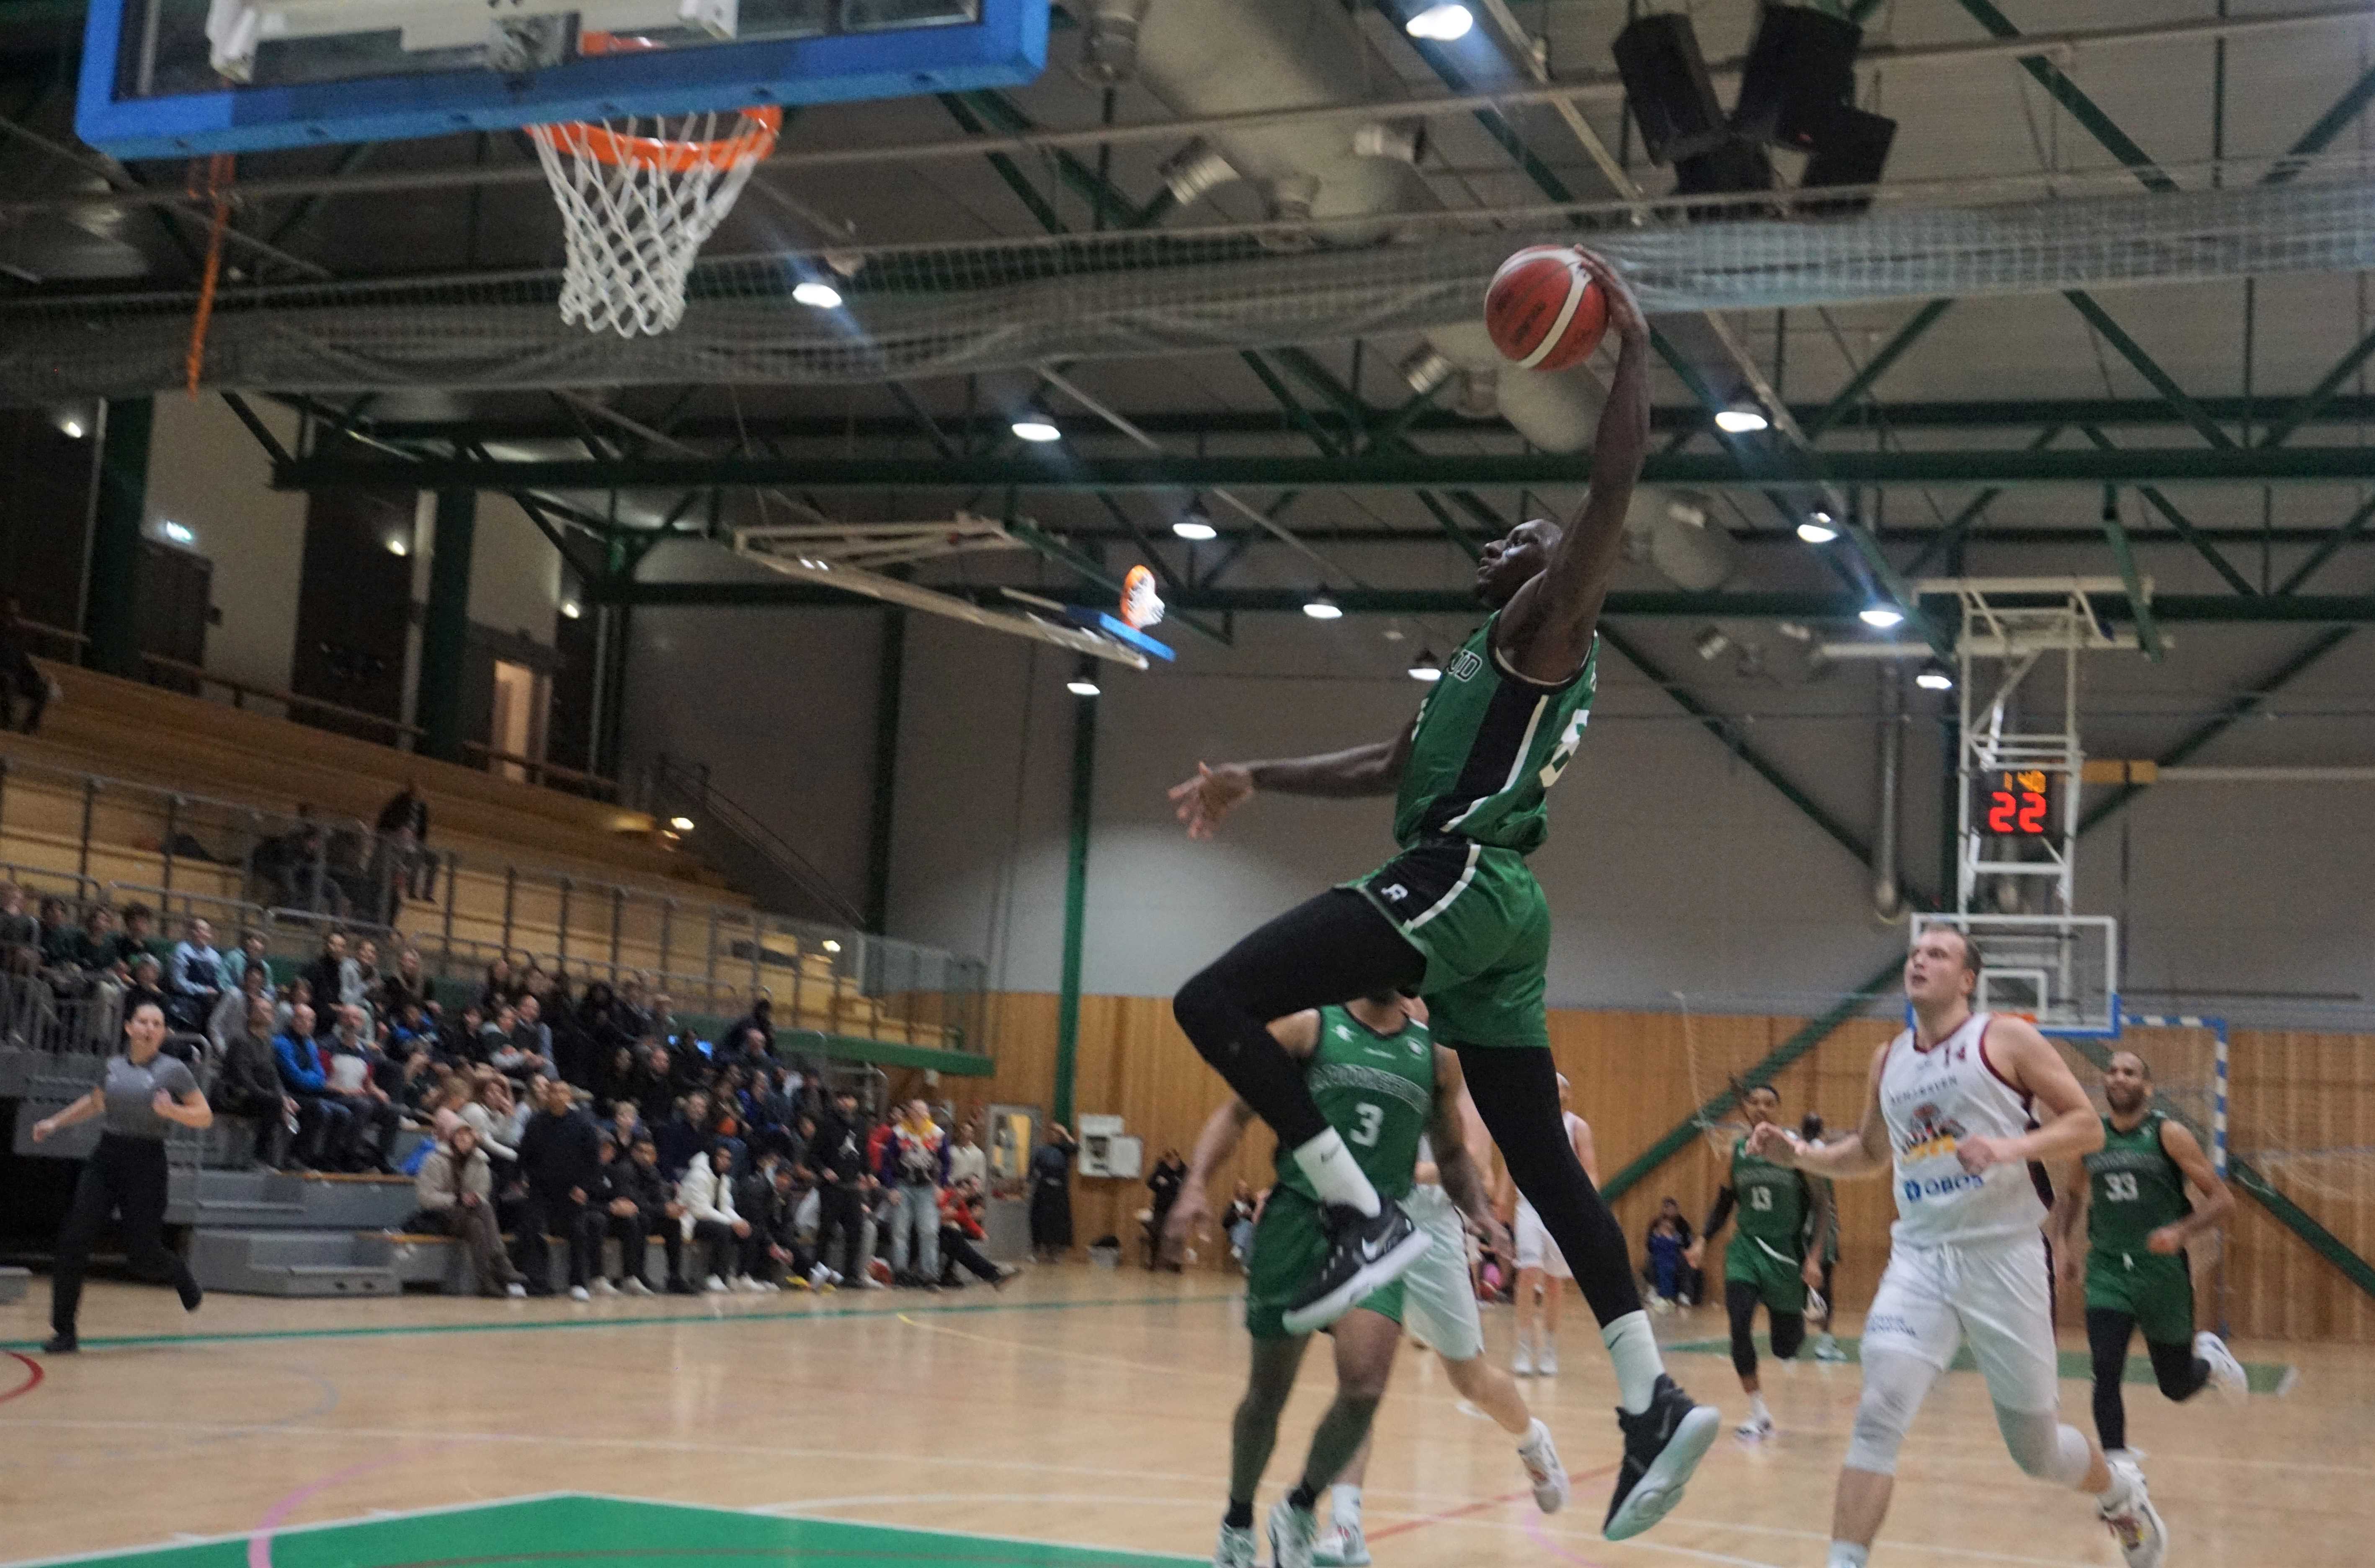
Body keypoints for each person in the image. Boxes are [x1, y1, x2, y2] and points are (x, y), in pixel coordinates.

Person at [1163, 253, 1708, 1539]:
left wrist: (1630, 345)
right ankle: (1648, 1399)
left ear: (1556, 562)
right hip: (1495, 911)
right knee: (1533, 1157)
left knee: (1211, 999)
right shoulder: (1482, 657)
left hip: (1463, 877)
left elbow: (1612, 484)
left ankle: (1358, 1218)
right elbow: (1384, 763)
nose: (1500, 541)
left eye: (1523, 533)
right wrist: (1251, 774)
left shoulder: (1552, 625)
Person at [1747, 927, 2166, 1568]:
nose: (1918, 959)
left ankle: (2119, 1494)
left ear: (1966, 978)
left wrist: (2008, 1148)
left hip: (2004, 1256)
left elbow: (2083, 1124)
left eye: (1937, 953)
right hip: (1919, 1258)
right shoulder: (1887, 1061)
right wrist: (1798, 1154)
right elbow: (1865, 1153)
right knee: (1877, 1413)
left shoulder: (2003, 1039)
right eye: (1915, 952)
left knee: (2035, 1452)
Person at [1171, 992, 1569, 1568]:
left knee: (1445, 1379)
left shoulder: (1441, 1060)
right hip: (1321, 1221)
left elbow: (1465, 1159)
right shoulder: (1309, 1030)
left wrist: (1481, 1214)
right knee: (1290, 1391)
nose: (1420, 998)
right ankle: (1311, 1522)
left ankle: (1530, 1441)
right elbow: (1239, 1110)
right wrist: (1196, 1184)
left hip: (1412, 1230)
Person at [2051, 1051, 2249, 1460]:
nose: (2118, 1077)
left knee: (2175, 1386)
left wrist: (2182, 1229)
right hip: (2107, 1270)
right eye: (2112, 1071)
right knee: (2104, 1371)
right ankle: (2119, 1467)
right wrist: (2060, 1243)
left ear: (2148, 1088)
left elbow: (2222, 1201)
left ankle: (2209, 1363)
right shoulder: (2090, 1136)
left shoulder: (2169, 1134)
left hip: (2161, 1275)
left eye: (2130, 1072)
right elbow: (2072, 1194)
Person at [30, 999, 209, 1353]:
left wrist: (172, 1110)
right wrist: (54, 1122)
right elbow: (96, 1103)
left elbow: (204, 1115)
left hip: (147, 1161)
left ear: (163, 1033)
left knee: (143, 1255)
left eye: (157, 1024)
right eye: (143, 1021)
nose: (149, 1028)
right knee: (73, 1240)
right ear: (129, 1027)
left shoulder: (174, 1070)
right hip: (107, 1157)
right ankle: (64, 1332)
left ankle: (177, 1273)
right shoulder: (112, 1066)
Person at [1683, 1083, 1830, 1440]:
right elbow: (1724, 1202)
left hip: (1785, 1258)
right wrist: (1702, 1239)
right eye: (1755, 1103)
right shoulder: (1736, 1152)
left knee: (1785, 1346)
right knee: (1739, 1326)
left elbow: (1823, 1208)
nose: (1761, 1108)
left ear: (1778, 1110)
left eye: (1769, 1103)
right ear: (1746, 1109)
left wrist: (1814, 1258)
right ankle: (1758, 1413)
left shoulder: (1796, 1152)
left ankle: (1799, 1318)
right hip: (1745, 1250)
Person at [1504, 1074, 1594, 1376]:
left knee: (1555, 1283)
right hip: (1529, 1205)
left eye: (1560, 1088)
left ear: (1568, 1094)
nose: (1554, 1093)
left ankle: (1550, 1348)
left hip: (1563, 1208)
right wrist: (1501, 1201)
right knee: (1528, 1272)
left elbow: (1590, 1172)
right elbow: (1511, 1162)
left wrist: (1587, 1208)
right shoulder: (1524, 1123)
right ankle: (1523, 1344)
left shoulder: (1577, 1127)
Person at [415, 1121, 529, 1298]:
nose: (462, 1139)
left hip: (469, 1216)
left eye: (466, 1136)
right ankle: (502, 1263)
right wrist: (458, 1199)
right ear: (452, 1139)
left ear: (473, 1140)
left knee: (476, 1224)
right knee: (482, 1210)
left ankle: (485, 1282)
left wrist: (472, 1200)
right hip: (441, 1216)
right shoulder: (435, 1160)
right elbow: (426, 1198)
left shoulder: (481, 1164)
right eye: (458, 1136)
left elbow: (481, 1196)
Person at [516, 1075, 605, 1299]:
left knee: (579, 1229)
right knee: (529, 1226)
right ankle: (531, 1282)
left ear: (569, 1097)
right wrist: (520, 1179)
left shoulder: (583, 1126)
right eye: (553, 1092)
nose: (557, 1096)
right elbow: (523, 1156)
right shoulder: (535, 1123)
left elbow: (594, 1164)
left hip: (571, 1192)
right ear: (546, 1096)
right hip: (540, 1189)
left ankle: (578, 1283)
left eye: (562, 1092)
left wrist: (584, 1188)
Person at [214, 996, 299, 1169]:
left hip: (257, 1095)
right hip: (234, 1095)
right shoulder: (240, 1041)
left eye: (267, 1010)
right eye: (258, 1009)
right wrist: (277, 1099)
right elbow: (244, 1081)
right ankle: (259, 1158)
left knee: (292, 1104)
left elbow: (273, 1075)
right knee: (274, 1104)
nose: (262, 1013)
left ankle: (286, 1159)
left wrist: (285, 1097)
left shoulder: (268, 1042)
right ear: (250, 1014)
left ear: (273, 1016)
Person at [274, 1002, 356, 1171]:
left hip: (310, 1094)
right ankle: (296, 1157)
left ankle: (326, 1159)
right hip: (289, 1094)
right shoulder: (281, 1043)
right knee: (321, 1109)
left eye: (311, 1020)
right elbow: (295, 1077)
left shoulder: (310, 1044)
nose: (306, 1024)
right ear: (293, 1020)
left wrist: (312, 1080)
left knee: (344, 1113)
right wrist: (313, 1080)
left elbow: (321, 1076)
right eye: (301, 1019)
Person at [881, 1098, 948, 1288]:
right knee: (900, 1232)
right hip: (903, 1186)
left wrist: (941, 1185)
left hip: (927, 1187)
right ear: (909, 1112)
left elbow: (946, 1163)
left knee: (929, 1231)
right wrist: (891, 1187)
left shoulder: (937, 1134)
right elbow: (886, 1164)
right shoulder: (899, 1133)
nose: (919, 1114)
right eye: (915, 1110)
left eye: (923, 1110)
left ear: (928, 1114)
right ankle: (900, 1273)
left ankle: (930, 1275)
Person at [613, 1132, 690, 1294]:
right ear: (633, 1152)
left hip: (646, 1215)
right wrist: (663, 1209)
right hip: (620, 1219)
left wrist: (671, 1208)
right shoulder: (624, 1170)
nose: (646, 1157)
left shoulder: (653, 1172)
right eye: (642, 1152)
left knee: (673, 1223)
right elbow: (633, 1203)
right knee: (639, 1220)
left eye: (650, 1153)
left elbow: (659, 1198)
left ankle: (674, 1277)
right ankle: (635, 1275)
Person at [1800, 1111, 1847, 1360]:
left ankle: (1794, 1337)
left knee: (1798, 1282)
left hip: (1798, 1224)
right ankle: (1826, 1343)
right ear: (1821, 1130)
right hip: (1820, 1225)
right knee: (1824, 1283)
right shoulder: (1822, 1152)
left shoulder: (1799, 1150)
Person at [676, 1138, 752, 1292]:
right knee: (723, 1230)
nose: (725, 1162)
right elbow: (700, 1210)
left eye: (728, 1159)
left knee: (746, 1230)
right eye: (721, 1157)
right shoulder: (698, 1175)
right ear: (713, 1157)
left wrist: (739, 1221)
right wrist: (732, 1224)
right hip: (691, 1220)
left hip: (710, 1220)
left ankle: (737, 1275)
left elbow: (726, 1207)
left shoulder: (723, 1179)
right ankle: (714, 1276)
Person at [812, 1089, 871, 1283]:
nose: (845, 1102)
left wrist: (868, 1173)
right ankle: (818, 1271)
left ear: (855, 1102)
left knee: (856, 1230)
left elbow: (863, 1153)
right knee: (826, 1231)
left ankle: (851, 1275)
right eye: (842, 1098)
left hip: (852, 1187)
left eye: (849, 1097)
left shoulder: (862, 1125)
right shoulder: (826, 1123)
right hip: (831, 1188)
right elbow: (812, 1155)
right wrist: (824, 1170)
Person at [1029, 1121, 1076, 1264]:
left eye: (1057, 1134)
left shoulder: (1065, 1150)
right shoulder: (1041, 1150)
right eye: (1052, 1133)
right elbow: (1032, 1170)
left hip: (1059, 1192)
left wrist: (1065, 1133)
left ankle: (1054, 1254)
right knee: (1039, 1220)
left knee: (1058, 1223)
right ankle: (1037, 1252)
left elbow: (1077, 1148)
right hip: (1043, 1191)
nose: (1054, 1136)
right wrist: (1027, 1185)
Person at [1145, 1147, 1189, 1270]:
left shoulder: (1184, 1171)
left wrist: (1168, 1184)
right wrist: (1159, 1182)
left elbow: (1186, 1189)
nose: (1172, 1163)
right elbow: (1151, 1183)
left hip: (1177, 1209)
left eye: (1174, 1160)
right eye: (1169, 1161)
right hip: (1161, 1207)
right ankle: (1153, 1262)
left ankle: (1176, 1265)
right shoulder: (1161, 1168)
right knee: (1156, 1234)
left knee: (1177, 1238)